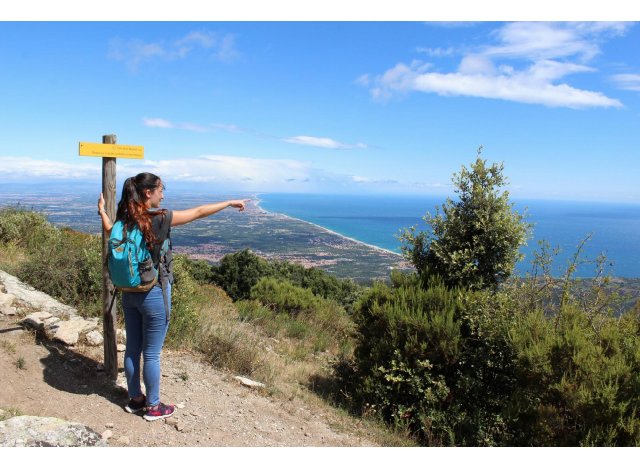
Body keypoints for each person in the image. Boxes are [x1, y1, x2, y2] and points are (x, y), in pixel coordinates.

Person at [98, 172, 248, 421]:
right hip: (154, 295)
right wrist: (228, 203)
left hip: (129, 293)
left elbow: (108, 228)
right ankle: (154, 406)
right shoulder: (159, 218)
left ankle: (135, 400)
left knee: (133, 349)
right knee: (153, 353)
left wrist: (102, 210)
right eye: (160, 189)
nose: (163, 194)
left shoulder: (124, 219)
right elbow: (199, 212)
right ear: (148, 193)